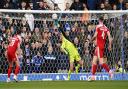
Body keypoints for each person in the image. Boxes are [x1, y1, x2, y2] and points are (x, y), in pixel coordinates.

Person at [90, 16, 113, 81]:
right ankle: (93, 76)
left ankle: (110, 72)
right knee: (94, 61)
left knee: (101, 62)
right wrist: (110, 45)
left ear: (99, 20)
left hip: (99, 46)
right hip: (102, 46)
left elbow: (95, 35)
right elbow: (109, 37)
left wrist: (91, 40)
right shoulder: (106, 28)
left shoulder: (98, 26)